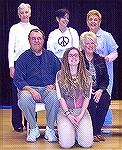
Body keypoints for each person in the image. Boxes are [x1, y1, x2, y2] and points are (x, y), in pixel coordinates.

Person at [13, 28, 61, 142]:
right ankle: (34, 129)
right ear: (29, 40)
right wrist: (31, 89)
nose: (36, 41)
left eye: (39, 38)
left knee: (55, 97)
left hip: (47, 89)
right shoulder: (23, 58)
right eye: (33, 38)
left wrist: (54, 85)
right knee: (23, 98)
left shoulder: (51, 56)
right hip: (29, 89)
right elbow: (18, 79)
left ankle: (50, 130)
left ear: (43, 40)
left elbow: (60, 74)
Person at [8, 3, 38, 132]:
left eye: (26, 12)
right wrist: (11, 66)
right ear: (19, 14)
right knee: (17, 94)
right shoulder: (14, 28)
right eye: (22, 13)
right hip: (18, 63)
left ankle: (31, 123)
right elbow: (10, 48)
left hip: (32, 63)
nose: (24, 15)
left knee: (31, 92)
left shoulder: (35, 28)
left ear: (30, 13)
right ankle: (17, 123)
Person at [86, 9, 118, 127]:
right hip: (90, 77)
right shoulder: (85, 36)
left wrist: (106, 58)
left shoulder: (106, 36)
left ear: (99, 22)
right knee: (90, 100)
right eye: (91, 19)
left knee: (105, 98)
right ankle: (92, 125)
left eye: (95, 19)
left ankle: (106, 124)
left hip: (105, 74)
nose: (93, 22)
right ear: (87, 22)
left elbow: (115, 53)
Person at [56, 47, 93, 148]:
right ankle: (68, 130)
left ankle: (76, 132)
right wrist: (68, 115)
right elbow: (61, 98)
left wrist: (81, 115)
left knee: (86, 144)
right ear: (66, 59)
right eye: (70, 55)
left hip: (81, 111)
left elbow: (87, 97)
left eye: (76, 55)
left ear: (80, 58)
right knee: (67, 145)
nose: (73, 57)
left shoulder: (88, 75)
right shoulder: (59, 74)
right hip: (66, 112)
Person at [80, 31, 111, 142]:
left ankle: (97, 131)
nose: (90, 46)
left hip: (98, 89)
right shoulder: (79, 59)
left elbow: (106, 79)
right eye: (87, 43)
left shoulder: (100, 59)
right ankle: (91, 132)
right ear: (83, 45)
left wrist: (101, 90)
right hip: (83, 90)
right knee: (91, 103)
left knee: (105, 99)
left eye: (92, 43)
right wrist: (89, 91)